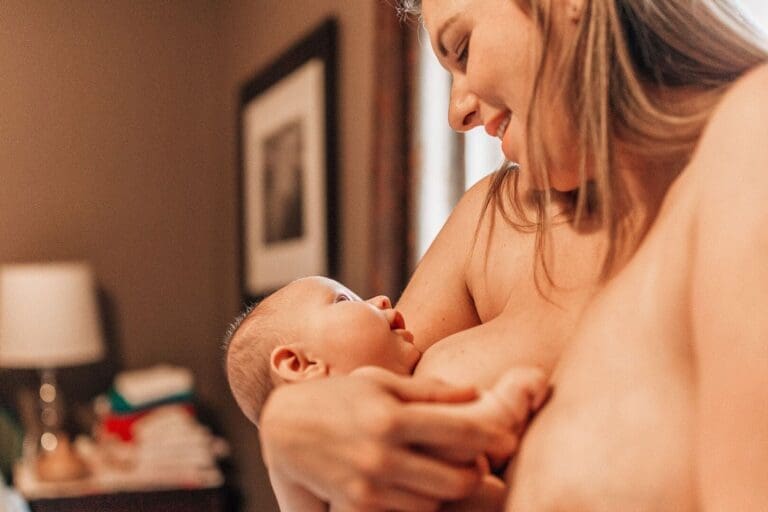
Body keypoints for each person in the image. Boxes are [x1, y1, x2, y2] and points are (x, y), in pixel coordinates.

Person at [254, 1, 768, 510]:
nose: (458, 113)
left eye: (462, 48)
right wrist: (285, 437)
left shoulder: (750, 144)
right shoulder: (492, 218)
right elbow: (347, 439)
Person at [225, 275, 549, 511]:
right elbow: (455, 437)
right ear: (300, 363)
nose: (381, 299)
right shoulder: (363, 389)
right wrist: (498, 407)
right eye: (344, 301)